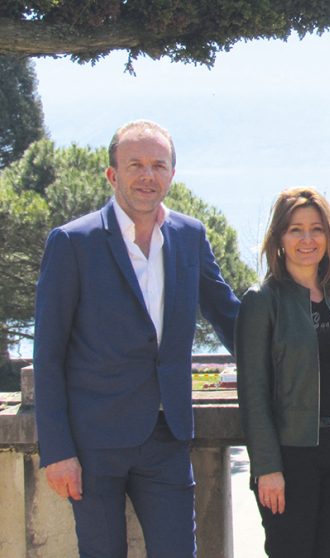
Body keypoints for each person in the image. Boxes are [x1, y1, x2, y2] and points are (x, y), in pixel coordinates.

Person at [32, 120, 240, 557]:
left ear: (171, 174)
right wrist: (57, 451)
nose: (148, 176)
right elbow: (47, 355)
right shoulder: (73, 242)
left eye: (158, 165)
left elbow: (229, 316)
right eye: (136, 165)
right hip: (93, 444)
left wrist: (291, 357)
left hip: (166, 437)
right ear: (112, 175)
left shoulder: (189, 236)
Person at [236, 187, 330, 557]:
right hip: (290, 455)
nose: (307, 239)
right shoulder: (262, 301)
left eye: (317, 228)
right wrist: (266, 467)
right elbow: (253, 392)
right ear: (279, 238)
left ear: (329, 236)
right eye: (295, 229)